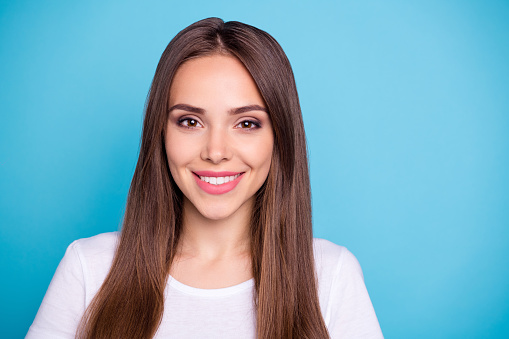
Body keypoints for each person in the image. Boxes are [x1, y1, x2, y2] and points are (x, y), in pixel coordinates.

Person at [26, 18, 383, 339]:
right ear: (160, 133)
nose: (215, 151)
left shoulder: (331, 276)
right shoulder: (90, 268)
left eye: (246, 123)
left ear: (280, 137)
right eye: (190, 121)